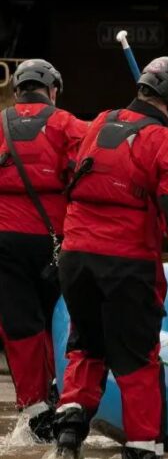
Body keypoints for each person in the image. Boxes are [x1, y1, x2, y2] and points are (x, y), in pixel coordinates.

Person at [52, 57, 168, 459]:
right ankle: (143, 447)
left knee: (86, 345)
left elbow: (67, 175)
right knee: (138, 359)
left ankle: (69, 433)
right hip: (126, 263)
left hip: (75, 258)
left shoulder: (98, 125)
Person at [0, 59, 87, 441]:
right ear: (52, 90)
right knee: (61, 321)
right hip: (57, 240)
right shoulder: (68, 124)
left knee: (19, 323)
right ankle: (62, 396)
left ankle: (34, 408)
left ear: (16, 90)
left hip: (3, 239)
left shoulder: (0, 124)